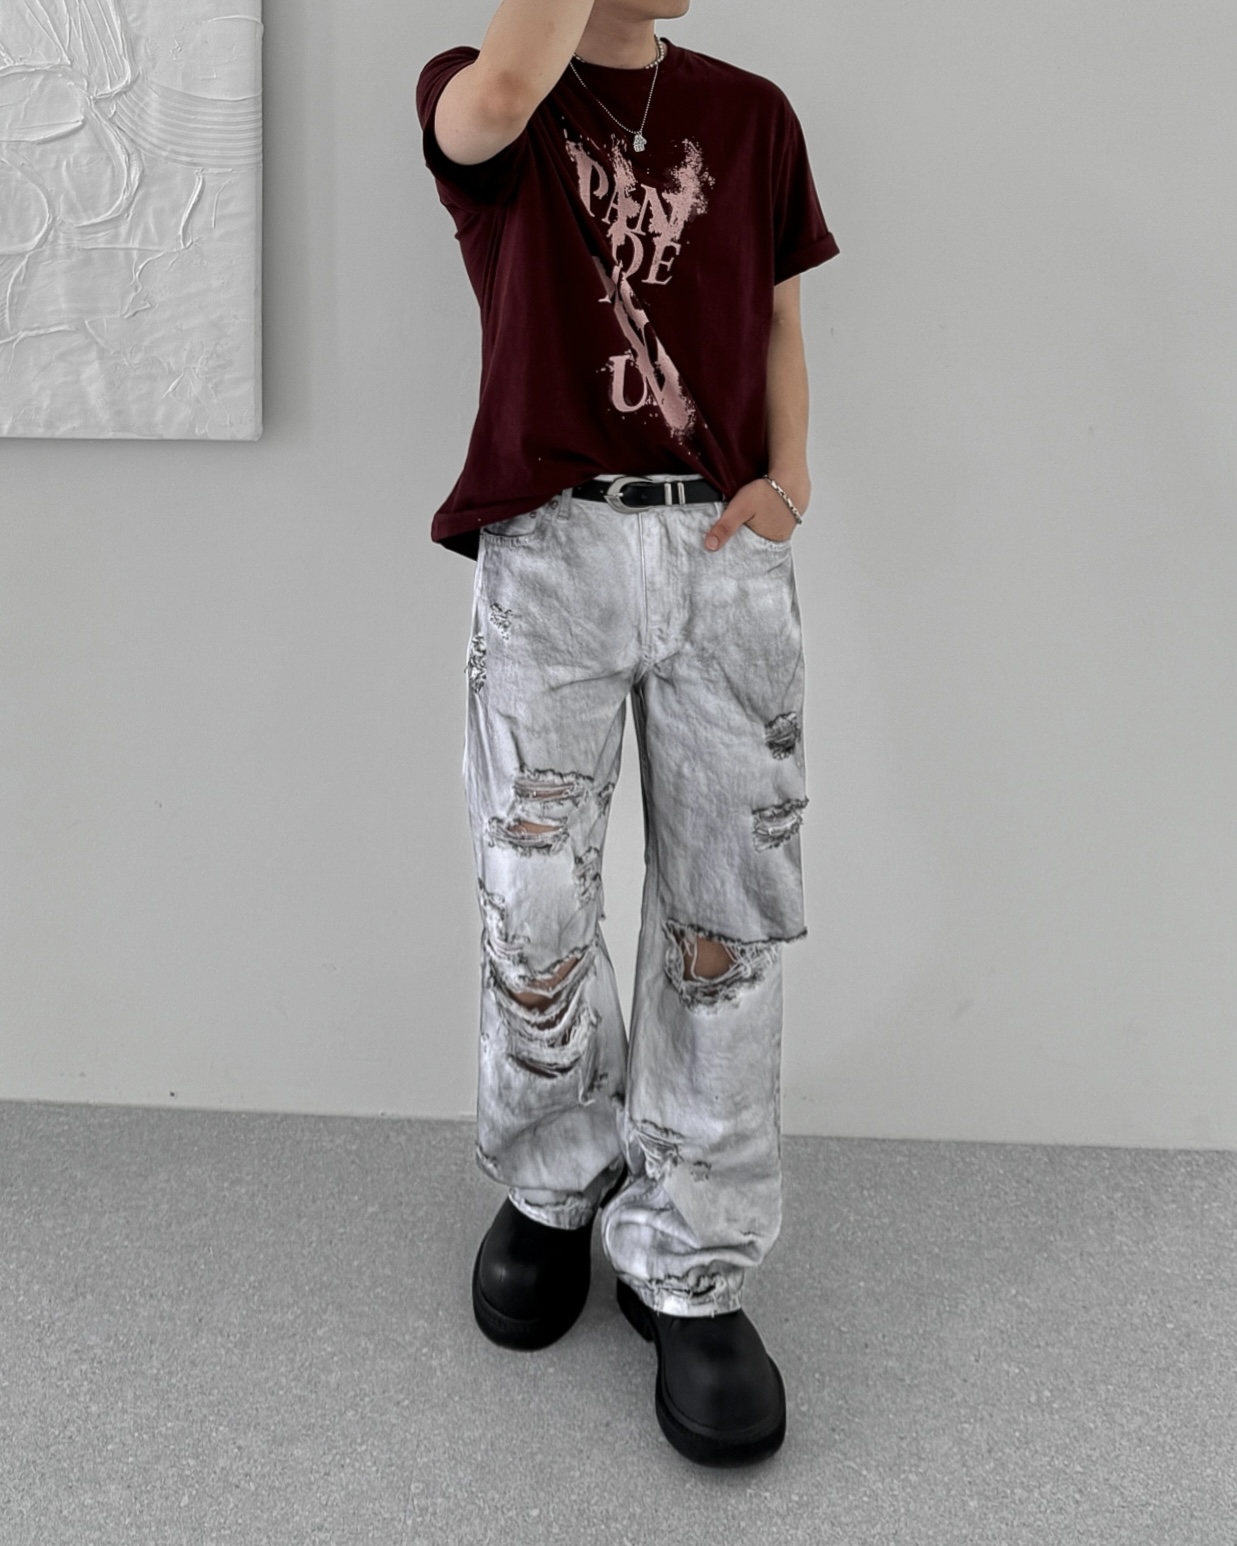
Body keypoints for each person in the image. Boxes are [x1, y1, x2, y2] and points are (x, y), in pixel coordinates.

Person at [415, 0, 838, 1468]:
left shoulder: (750, 113)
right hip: (553, 550)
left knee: (725, 920)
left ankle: (692, 1258)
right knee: (532, 905)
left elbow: (777, 316)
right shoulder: (484, 94)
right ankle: (554, 1182)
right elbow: (501, 89)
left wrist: (787, 483)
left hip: (721, 551)